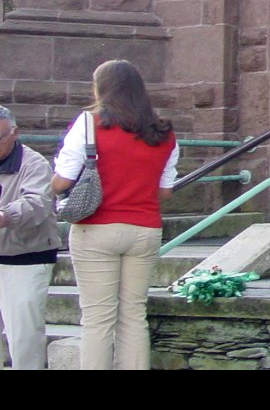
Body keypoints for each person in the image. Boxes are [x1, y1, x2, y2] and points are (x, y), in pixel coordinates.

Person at [52, 60, 179, 370]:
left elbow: (61, 183)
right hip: (145, 228)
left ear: (102, 89)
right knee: (134, 316)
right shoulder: (164, 131)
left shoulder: (87, 124)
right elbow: (164, 192)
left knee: (97, 318)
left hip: (96, 227)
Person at [0, 105, 62, 369]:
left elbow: (37, 203)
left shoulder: (33, 162)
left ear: (15, 133)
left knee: (23, 335)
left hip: (26, 256)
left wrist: (4, 216)